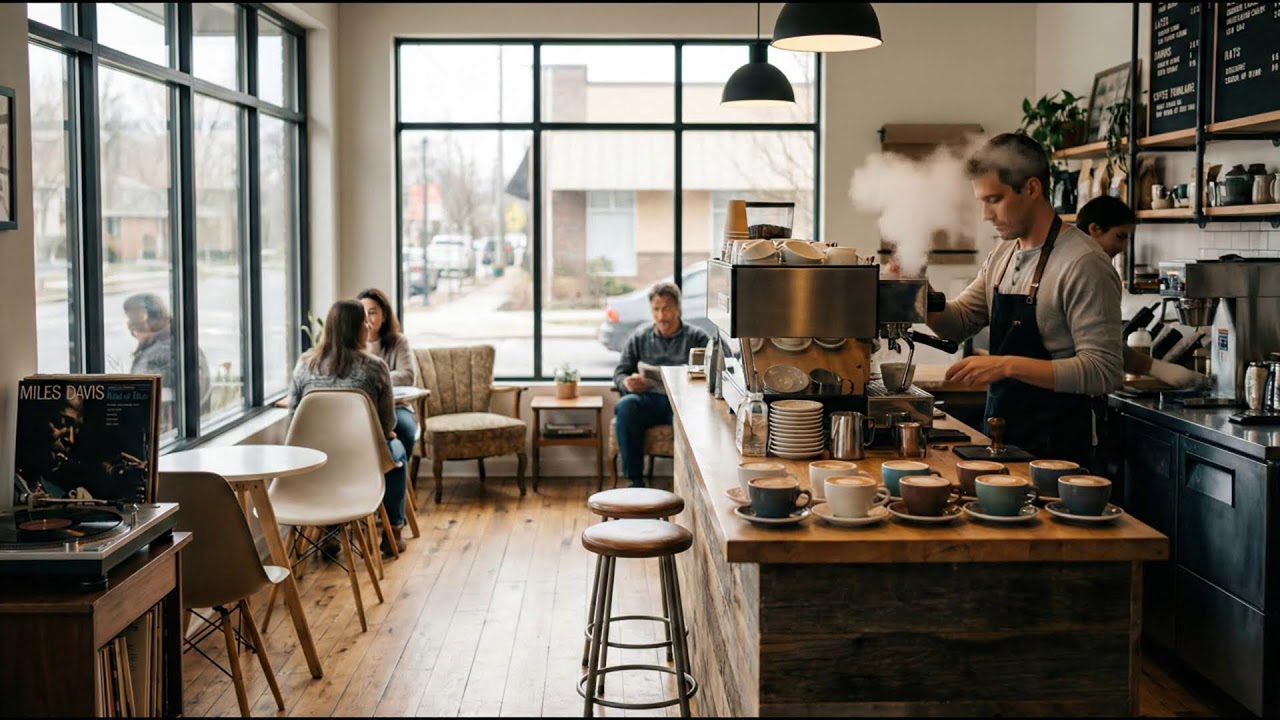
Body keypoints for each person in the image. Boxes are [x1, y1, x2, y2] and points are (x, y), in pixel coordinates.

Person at [928, 132, 1123, 465]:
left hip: (1060, 454)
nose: (985, 214)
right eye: (981, 202)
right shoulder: (1004, 253)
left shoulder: (1083, 263)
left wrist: (1006, 365)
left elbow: (1104, 371)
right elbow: (958, 324)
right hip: (1003, 442)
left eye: (994, 199)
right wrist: (916, 289)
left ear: (1031, 189)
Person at [289, 299, 409, 556]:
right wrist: (384, 434)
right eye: (365, 322)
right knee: (396, 454)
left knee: (333, 466)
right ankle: (394, 533)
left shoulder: (304, 364)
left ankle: (331, 533)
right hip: (362, 458)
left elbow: (293, 416)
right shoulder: (375, 367)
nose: (369, 326)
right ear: (358, 328)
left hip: (315, 460)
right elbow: (388, 423)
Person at [1073, 195, 1205, 389]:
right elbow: (1102, 348)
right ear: (1094, 229)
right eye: (1119, 237)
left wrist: (1156, 368)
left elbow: (1103, 343)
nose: (1122, 248)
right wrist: (1159, 369)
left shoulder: (1066, 258)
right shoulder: (1093, 269)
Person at [612, 282, 710, 488]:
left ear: (678, 308)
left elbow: (716, 372)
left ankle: (693, 483)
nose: (661, 315)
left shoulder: (697, 337)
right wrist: (627, 383)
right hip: (649, 401)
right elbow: (620, 373)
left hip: (684, 403)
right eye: (656, 309)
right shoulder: (640, 337)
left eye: (666, 308)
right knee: (626, 406)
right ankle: (635, 482)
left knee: (694, 419)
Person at [123, 292, 210, 433]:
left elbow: (140, 399)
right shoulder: (182, 344)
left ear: (143, 324)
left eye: (132, 327)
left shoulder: (159, 353)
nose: (134, 335)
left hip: (168, 434)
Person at [358, 287, 420, 455]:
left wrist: (370, 380)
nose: (367, 318)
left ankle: (397, 470)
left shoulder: (398, 342)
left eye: (372, 312)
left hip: (396, 406)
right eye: (362, 313)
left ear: (384, 315)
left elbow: (407, 376)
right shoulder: (352, 344)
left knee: (405, 430)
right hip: (361, 408)